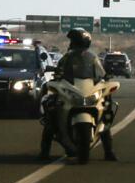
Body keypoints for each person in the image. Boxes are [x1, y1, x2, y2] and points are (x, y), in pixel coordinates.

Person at [41, 27, 117, 161]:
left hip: (88, 88)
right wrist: (57, 76)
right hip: (71, 88)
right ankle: (44, 151)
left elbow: (100, 72)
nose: (71, 43)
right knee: (51, 115)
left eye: (73, 40)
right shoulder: (67, 57)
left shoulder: (92, 58)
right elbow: (59, 70)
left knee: (105, 115)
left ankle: (109, 151)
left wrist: (105, 77)